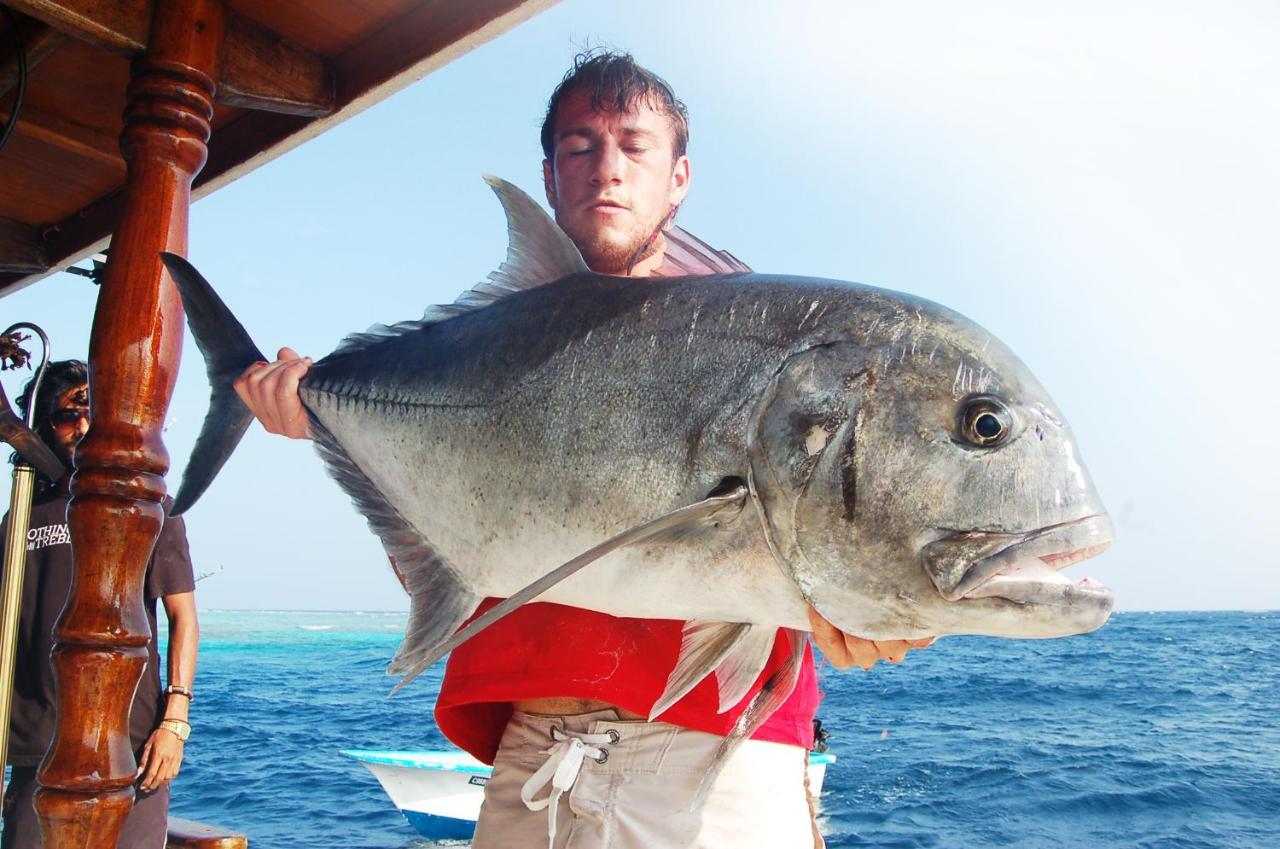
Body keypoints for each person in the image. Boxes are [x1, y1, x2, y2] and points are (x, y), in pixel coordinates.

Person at [236, 50, 931, 848]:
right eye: (580, 146)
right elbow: (443, 560)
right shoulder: (485, 355)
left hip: (715, 766)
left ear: (679, 177)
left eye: (635, 146)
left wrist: (880, 602)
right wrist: (323, 421)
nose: (608, 169)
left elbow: (814, 543)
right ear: (549, 175)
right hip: (530, 761)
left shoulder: (761, 345)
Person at [1, 360, 199, 849]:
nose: (83, 427)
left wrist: (175, 720)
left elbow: (183, 618)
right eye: (70, 415)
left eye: (95, 412)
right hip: (36, 748)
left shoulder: (148, 503)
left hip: (131, 746)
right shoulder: (22, 513)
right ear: (47, 424)